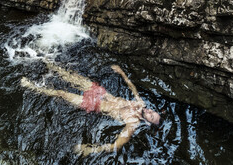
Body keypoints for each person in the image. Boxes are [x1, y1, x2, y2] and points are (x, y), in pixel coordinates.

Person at [21, 62, 161, 156]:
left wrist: (89, 149)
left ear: (148, 123)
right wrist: (122, 73)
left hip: (94, 104)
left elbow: (115, 146)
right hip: (102, 93)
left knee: (61, 94)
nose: (149, 111)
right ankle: (48, 63)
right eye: (152, 111)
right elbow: (131, 86)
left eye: (151, 116)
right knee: (70, 76)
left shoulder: (132, 124)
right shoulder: (141, 104)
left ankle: (31, 86)